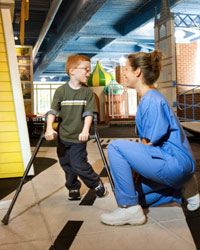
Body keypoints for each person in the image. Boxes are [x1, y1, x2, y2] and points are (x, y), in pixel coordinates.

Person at [101, 51, 200, 226]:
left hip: (175, 163)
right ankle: (179, 191)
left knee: (116, 147)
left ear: (137, 72)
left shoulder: (151, 100)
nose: (123, 73)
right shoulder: (151, 97)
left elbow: (148, 144)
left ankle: (129, 209)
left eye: (126, 69)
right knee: (129, 191)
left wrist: (136, 170)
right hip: (176, 166)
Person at [45, 54, 106, 200]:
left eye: (89, 69)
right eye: (85, 69)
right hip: (63, 136)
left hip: (79, 137)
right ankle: (73, 187)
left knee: (78, 164)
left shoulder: (87, 93)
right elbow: (53, 111)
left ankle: (95, 182)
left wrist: (85, 130)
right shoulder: (61, 91)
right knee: (66, 164)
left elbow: (89, 113)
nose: (88, 72)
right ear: (72, 71)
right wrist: (49, 128)